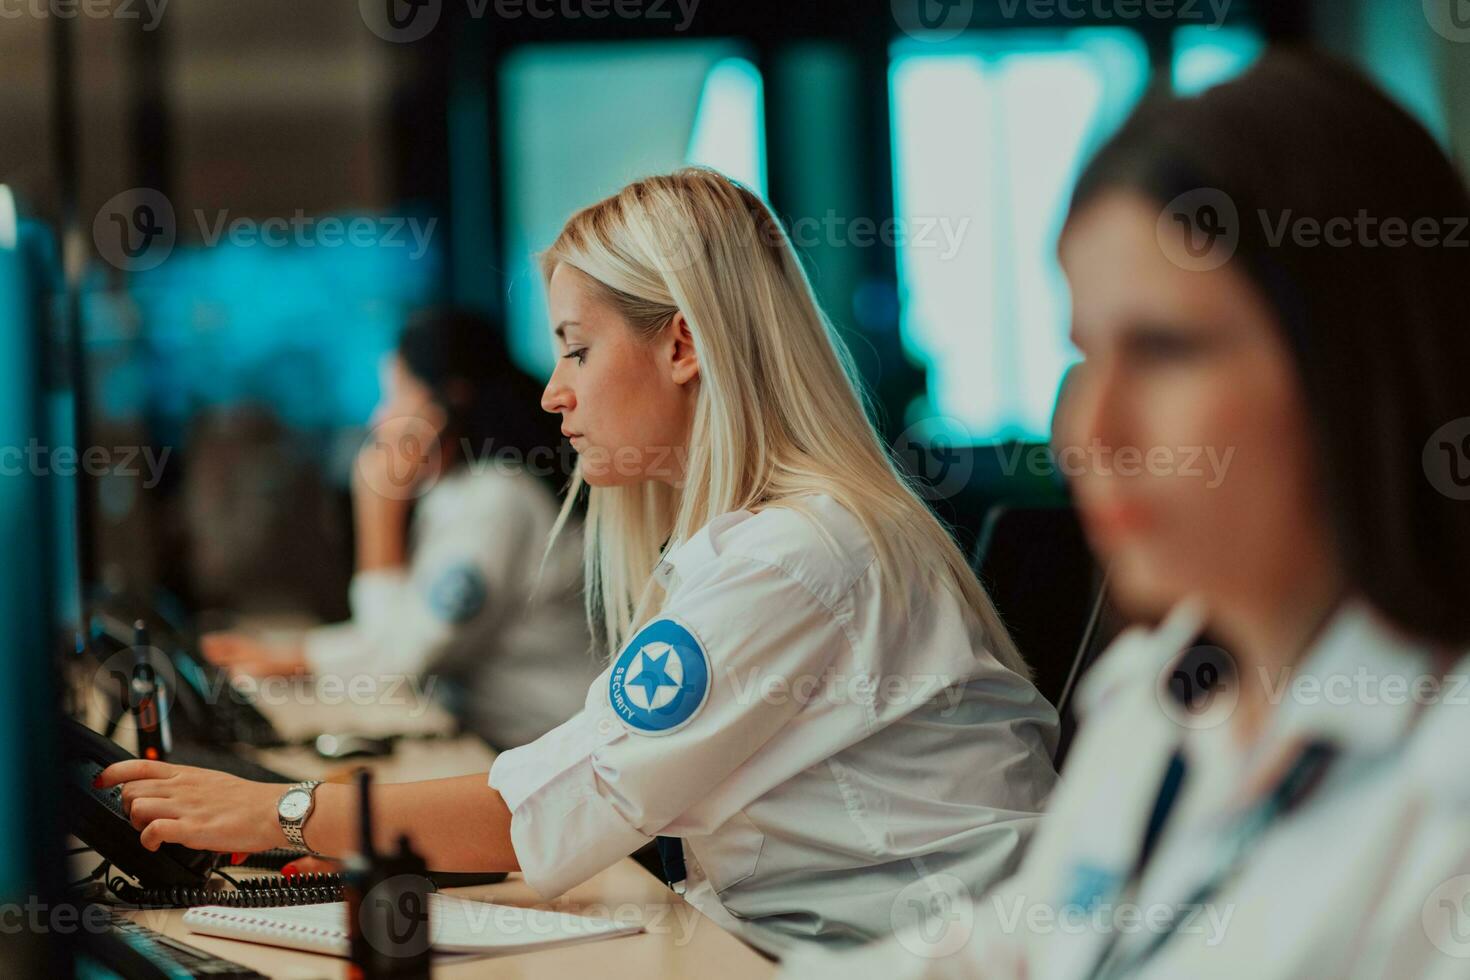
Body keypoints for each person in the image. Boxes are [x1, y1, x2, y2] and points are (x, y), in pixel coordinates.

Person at [99, 169, 1059, 955]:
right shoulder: (765, 539)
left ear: (682, 344)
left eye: (576, 350)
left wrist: (277, 814)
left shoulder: (796, 555)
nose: (554, 394)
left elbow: (566, 801)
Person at [781, 51, 1470, 980]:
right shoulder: (1163, 690)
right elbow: (1008, 948)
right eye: (1084, 355)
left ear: (1359, 369)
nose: (1088, 433)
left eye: (1164, 349)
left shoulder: (1442, 786)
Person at [200, 308, 598, 750]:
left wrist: (377, 511)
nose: (378, 419)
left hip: (549, 750)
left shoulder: (496, 501)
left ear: (443, 406)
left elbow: (401, 661)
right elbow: (402, 633)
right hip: (506, 745)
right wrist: (289, 658)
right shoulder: (462, 492)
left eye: (394, 396)